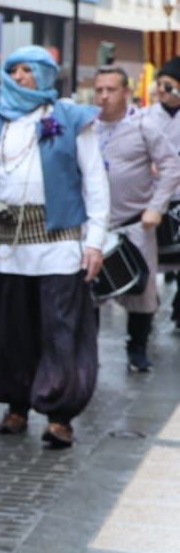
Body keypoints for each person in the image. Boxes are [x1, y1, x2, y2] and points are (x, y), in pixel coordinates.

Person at [0, 46, 108, 450]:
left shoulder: (72, 118)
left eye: (29, 70)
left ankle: (60, 415)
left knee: (60, 329)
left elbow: (94, 181)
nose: (20, 76)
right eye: (14, 70)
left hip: (60, 244)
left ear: (46, 75)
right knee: (12, 330)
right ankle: (16, 405)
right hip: (7, 247)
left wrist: (94, 241)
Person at [93, 67, 180, 372]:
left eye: (111, 89)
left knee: (142, 293)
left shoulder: (143, 125)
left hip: (135, 224)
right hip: (93, 227)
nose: (104, 96)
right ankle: (86, 351)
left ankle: (137, 348)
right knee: (88, 291)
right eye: (99, 89)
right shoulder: (86, 126)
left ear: (126, 92)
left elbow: (171, 167)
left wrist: (156, 207)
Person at [147, 59, 180, 327]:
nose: (162, 89)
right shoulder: (147, 116)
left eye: (168, 84)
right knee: (153, 255)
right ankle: (147, 308)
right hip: (156, 195)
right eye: (159, 84)